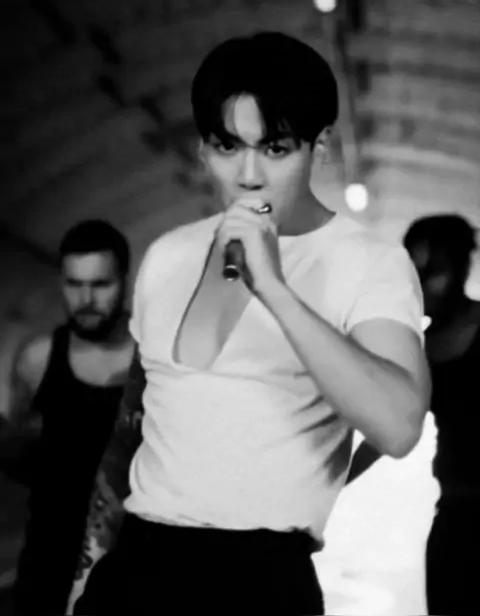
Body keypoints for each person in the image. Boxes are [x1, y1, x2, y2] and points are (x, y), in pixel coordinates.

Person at [72, 32, 430, 616]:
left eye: (275, 148)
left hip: (260, 579)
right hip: (136, 566)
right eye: (227, 146)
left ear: (319, 148)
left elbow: (399, 427)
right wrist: (86, 575)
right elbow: (129, 433)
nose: (248, 175)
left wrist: (275, 289)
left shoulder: (369, 262)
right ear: (202, 152)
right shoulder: (168, 255)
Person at [7, 220, 134, 615]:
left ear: (125, 282)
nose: (86, 299)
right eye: (74, 284)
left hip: (134, 569)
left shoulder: (156, 360)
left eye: (100, 284)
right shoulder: (37, 359)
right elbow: (20, 445)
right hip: (47, 567)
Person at [403, 214, 480, 615]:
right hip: (456, 518)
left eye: (432, 271)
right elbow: (393, 428)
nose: (419, 284)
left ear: (462, 267)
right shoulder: (420, 348)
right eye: (412, 272)